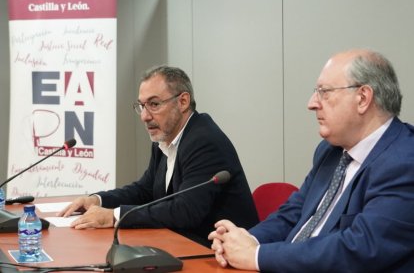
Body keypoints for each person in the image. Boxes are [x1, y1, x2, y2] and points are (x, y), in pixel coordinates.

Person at [208, 49, 414, 271]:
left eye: (324, 92)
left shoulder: (404, 160)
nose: (312, 103)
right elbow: (293, 214)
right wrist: (243, 241)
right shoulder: (330, 151)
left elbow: (360, 248)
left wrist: (257, 256)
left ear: (363, 98)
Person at [58, 65, 259, 246]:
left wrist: (114, 216)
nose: (145, 116)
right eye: (141, 106)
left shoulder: (204, 141)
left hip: (221, 254)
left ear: (183, 101)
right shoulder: (165, 137)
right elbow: (145, 190)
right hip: (181, 243)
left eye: (154, 104)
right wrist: (98, 200)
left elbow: (186, 210)